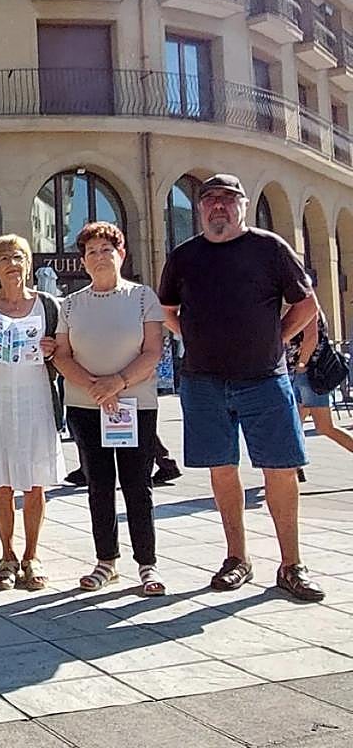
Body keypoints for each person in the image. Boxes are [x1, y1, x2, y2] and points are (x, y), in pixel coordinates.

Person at [159, 173, 323, 601]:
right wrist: (192, 337)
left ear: (243, 206)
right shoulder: (184, 256)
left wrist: (277, 338)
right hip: (203, 382)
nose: (218, 206)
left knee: (280, 469)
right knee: (222, 468)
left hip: (264, 379)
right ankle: (237, 558)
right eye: (210, 199)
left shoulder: (270, 248)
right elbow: (167, 309)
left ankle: (291, 565)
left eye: (228, 199)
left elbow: (306, 304)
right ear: (200, 208)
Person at [54, 222, 166, 596]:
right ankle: (106, 561)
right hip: (86, 406)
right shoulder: (70, 305)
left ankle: (147, 564)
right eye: (91, 252)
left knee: (138, 485)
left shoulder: (142, 297)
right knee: (98, 485)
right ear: (83, 261)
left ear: (121, 254)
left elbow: (152, 351)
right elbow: (62, 355)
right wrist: (96, 388)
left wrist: (117, 383)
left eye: (106, 249)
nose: (99, 257)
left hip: (134, 404)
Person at [0, 234, 64, 590]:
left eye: (18, 257)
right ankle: (7, 556)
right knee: (1, 484)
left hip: (36, 402)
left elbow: (63, 355)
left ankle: (32, 556)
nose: (12, 264)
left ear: (28, 263)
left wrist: (52, 351)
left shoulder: (47, 305)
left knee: (35, 483)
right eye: (4, 258)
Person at [288, 307, 353, 480]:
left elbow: (312, 337)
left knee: (324, 427)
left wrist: (301, 364)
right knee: (294, 426)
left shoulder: (308, 307)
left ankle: (293, 467)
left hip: (308, 374)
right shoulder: (300, 307)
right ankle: (293, 468)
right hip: (301, 374)